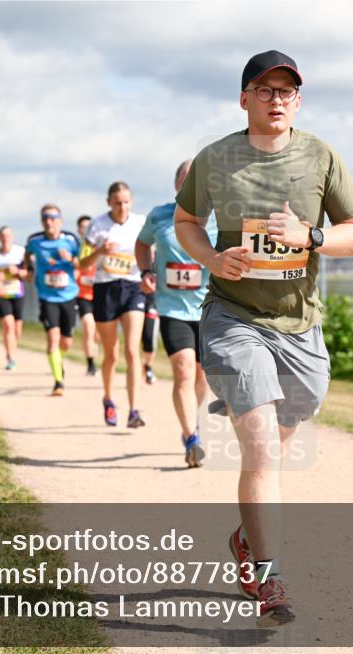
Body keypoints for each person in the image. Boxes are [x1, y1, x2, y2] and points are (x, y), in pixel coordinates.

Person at [174, 50, 353, 627]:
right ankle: (267, 574)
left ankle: (247, 534)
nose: (276, 98)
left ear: (298, 100)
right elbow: (187, 222)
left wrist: (310, 237)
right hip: (234, 318)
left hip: (300, 326)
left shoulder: (322, 156)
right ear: (244, 98)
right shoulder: (216, 158)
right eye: (264, 89)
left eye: (287, 91)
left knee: (290, 424)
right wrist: (212, 258)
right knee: (260, 447)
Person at [136, 159, 216, 468]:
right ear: (177, 185)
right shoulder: (159, 216)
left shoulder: (217, 219)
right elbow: (142, 244)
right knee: (182, 368)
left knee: (201, 376)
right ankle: (191, 437)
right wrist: (145, 271)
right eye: (187, 181)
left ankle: (191, 419)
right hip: (171, 307)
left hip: (208, 308)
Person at [80, 182, 147, 427]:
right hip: (105, 289)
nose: (122, 207)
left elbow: (149, 251)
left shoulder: (140, 223)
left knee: (131, 350)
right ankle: (108, 399)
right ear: (109, 202)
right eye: (118, 202)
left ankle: (134, 410)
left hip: (133, 288)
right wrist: (100, 250)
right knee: (111, 354)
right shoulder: (97, 226)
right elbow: (83, 265)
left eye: (126, 202)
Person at [26, 204, 79, 396]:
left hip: (68, 295)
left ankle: (59, 362)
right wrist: (30, 270)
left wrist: (70, 260)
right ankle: (58, 381)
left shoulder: (71, 239)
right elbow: (27, 254)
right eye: (45, 218)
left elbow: (83, 262)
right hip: (47, 296)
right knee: (52, 340)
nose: (49, 221)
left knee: (67, 343)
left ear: (60, 220)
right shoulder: (34, 240)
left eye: (53, 217)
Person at [0, 226, 27, 370]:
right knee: (8, 325)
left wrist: (18, 272)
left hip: (17, 292)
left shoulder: (20, 252)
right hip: (1, 293)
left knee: (17, 329)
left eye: (8, 236)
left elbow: (27, 272)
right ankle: (10, 357)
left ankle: (12, 349)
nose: (5, 238)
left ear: (12, 237)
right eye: (3, 236)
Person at [75, 215, 99, 376]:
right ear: (79, 230)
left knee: (98, 333)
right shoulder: (76, 247)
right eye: (83, 227)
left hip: (100, 294)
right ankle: (91, 363)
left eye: (88, 226)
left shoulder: (102, 245)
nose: (86, 230)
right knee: (88, 327)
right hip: (82, 294)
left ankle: (95, 356)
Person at [141, 293, 158, 384]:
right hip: (134, 296)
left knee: (149, 338)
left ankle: (148, 366)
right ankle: (134, 371)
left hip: (152, 301)